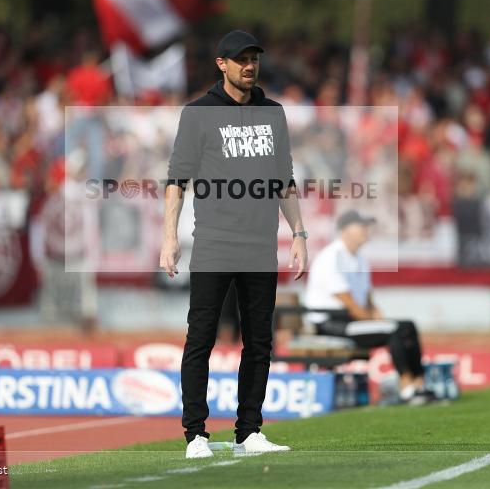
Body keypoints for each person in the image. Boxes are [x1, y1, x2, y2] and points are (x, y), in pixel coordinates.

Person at [160, 30, 307, 459]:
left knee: (259, 341)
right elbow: (176, 179)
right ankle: (195, 434)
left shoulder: (273, 113)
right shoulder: (198, 113)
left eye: (254, 58)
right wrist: (169, 237)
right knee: (201, 339)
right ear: (221, 64)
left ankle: (249, 431)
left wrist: (299, 234)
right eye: (240, 59)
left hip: (261, 245)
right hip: (214, 243)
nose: (249, 65)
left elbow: (285, 180)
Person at [304, 210, 433, 404]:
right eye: (361, 226)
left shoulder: (359, 259)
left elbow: (367, 300)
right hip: (332, 324)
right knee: (394, 329)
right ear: (345, 230)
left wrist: (379, 318)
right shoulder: (331, 257)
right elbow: (349, 302)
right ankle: (407, 387)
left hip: (351, 320)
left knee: (407, 326)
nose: (366, 230)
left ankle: (419, 383)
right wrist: (377, 322)